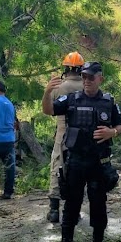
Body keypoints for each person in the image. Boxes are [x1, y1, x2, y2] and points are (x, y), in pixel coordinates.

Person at [42, 61, 121, 242]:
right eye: (84, 76)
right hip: (76, 161)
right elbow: (48, 110)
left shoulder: (108, 101)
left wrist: (111, 132)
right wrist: (46, 93)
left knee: (98, 204)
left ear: (100, 79)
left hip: (98, 161)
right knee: (71, 204)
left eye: (91, 77)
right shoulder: (71, 99)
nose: (87, 80)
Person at [46, 51, 86, 223]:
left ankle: (54, 210)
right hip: (83, 135)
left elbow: (50, 110)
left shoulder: (59, 87)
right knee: (78, 172)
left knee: (57, 167)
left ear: (66, 68)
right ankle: (74, 210)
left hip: (63, 134)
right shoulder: (87, 86)